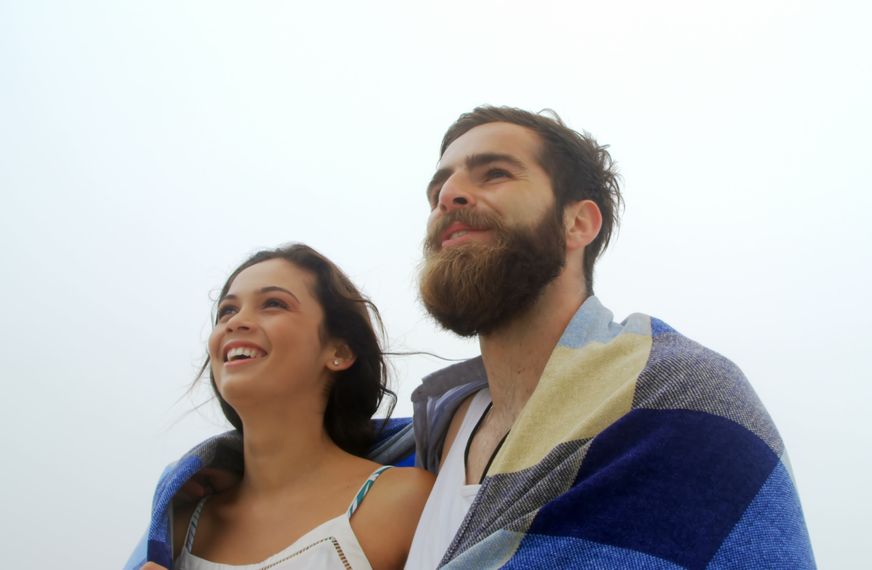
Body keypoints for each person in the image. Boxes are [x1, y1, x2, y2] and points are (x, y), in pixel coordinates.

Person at [405, 106, 816, 568]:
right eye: (437, 191)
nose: (449, 196)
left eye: (495, 173)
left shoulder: (679, 396)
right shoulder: (419, 449)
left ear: (578, 223)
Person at [130, 244, 433, 570]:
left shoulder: (406, 501)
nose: (236, 322)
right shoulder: (178, 525)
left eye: (273, 304)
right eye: (227, 311)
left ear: (340, 352)